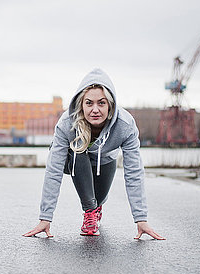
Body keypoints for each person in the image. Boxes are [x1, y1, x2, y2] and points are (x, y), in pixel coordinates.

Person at [24, 68, 164, 239]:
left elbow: (134, 172)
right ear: (81, 105)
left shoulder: (125, 126)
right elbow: (53, 171)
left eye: (101, 103)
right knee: (78, 149)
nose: (95, 109)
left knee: (98, 200)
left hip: (105, 161)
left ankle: (95, 207)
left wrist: (141, 219)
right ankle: (90, 212)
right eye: (89, 103)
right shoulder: (67, 124)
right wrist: (45, 217)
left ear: (110, 105)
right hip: (74, 161)